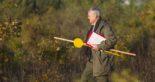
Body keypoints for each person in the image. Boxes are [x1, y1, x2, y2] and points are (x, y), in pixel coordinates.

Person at [81, 7, 117, 82]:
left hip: (101, 61)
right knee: (84, 79)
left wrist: (99, 46)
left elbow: (112, 40)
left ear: (95, 16)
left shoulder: (105, 26)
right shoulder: (92, 27)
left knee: (101, 79)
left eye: (89, 16)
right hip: (91, 60)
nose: (88, 18)